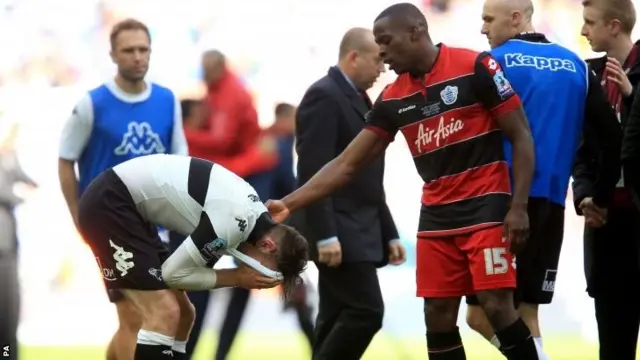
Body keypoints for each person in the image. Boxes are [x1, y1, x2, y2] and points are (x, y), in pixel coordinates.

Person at [268, 3, 539, 359]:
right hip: (437, 217)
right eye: (376, 44)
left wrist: (518, 207)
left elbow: (521, 135)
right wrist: (290, 202)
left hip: (486, 208)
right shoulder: (393, 98)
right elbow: (347, 164)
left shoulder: (475, 66)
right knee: (436, 315)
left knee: (497, 305)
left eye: (386, 41)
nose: (380, 52)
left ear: (415, 31)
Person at [466, 0, 623, 358]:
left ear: (516, 18)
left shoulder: (494, 63)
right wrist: (599, 195)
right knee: (527, 311)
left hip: (502, 203)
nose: (483, 28)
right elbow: (612, 140)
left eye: (488, 19)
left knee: (479, 313)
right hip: (551, 203)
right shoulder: (577, 67)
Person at [77, 154, 309, 360]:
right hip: (110, 204)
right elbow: (174, 274)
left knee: (185, 314)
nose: (262, 279)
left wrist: (235, 275)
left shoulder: (253, 219)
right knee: (165, 312)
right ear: (268, 246)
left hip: (127, 208)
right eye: (268, 271)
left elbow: (185, 273)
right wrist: (237, 277)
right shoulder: (234, 222)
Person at [57, 18, 188, 360]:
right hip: (112, 226)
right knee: (138, 317)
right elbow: (65, 159)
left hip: (155, 226)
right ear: (113, 55)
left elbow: (180, 162)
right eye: (128, 50)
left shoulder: (166, 99)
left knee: (168, 315)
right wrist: (78, 215)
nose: (137, 57)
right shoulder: (92, 104)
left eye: (143, 49)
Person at [291, 27, 405, 360]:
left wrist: (389, 231)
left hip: (360, 227)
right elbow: (314, 169)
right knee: (366, 311)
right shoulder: (324, 96)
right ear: (353, 57)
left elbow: (367, 176)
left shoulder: (358, 98)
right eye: (376, 60)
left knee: (335, 315)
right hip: (340, 229)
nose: (382, 68)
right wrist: (325, 235)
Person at [573, 0, 640, 359]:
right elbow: (582, 149)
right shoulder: (588, 77)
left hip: (635, 219)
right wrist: (585, 197)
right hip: (606, 224)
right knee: (613, 344)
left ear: (614, 26)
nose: (583, 31)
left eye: (589, 22)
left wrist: (631, 98)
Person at [0, 122, 37, 360]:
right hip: (2, 249)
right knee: (5, 311)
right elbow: (4, 191)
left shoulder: (8, 156)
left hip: (8, 247)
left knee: (9, 313)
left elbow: (19, 173)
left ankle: (7, 355)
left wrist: (34, 184)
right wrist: (23, 196)